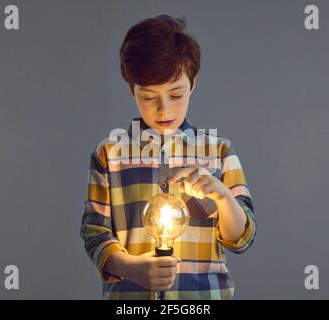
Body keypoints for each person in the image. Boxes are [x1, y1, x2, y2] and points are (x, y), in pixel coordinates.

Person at [80, 15, 256, 300]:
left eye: (176, 94)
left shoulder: (219, 152)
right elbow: (95, 231)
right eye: (149, 97)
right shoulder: (109, 154)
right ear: (131, 89)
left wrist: (223, 197)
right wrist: (131, 267)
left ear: (193, 84)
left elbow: (241, 238)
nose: (164, 110)